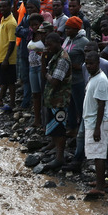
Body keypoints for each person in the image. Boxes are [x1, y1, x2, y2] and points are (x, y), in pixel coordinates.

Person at [41, 31, 72, 169]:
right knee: (54, 126)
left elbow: (55, 81)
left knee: (59, 128)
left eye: (50, 45)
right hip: (53, 99)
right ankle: (56, 153)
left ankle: (60, 158)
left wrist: (45, 72)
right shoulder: (55, 56)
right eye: (46, 45)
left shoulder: (62, 59)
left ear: (58, 43)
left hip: (60, 100)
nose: (48, 48)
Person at [81, 51, 108, 192]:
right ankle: (100, 181)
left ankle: (100, 186)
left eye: (91, 63)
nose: (88, 66)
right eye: (87, 63)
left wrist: (97, 128)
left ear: (98, 63)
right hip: (92, 120)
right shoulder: (94, 77)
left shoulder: (101, 80)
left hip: (97, 122)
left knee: (98, 154)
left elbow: (101, 105)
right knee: (96, 152)